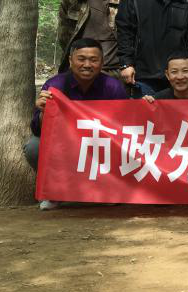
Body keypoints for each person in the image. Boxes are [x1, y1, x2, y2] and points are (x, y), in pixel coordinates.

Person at [25, 38, 128, 210]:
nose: (87, 65)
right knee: (34, 147)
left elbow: (126, 123)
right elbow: (38, 129)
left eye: (93, 60)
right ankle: (56, 192)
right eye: (81, 59)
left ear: (102, 63)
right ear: (70, 61)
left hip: (102, 143)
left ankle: (106, 189)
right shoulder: (55, 85)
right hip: (65, 144)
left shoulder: (113, 86)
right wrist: (43, 112)